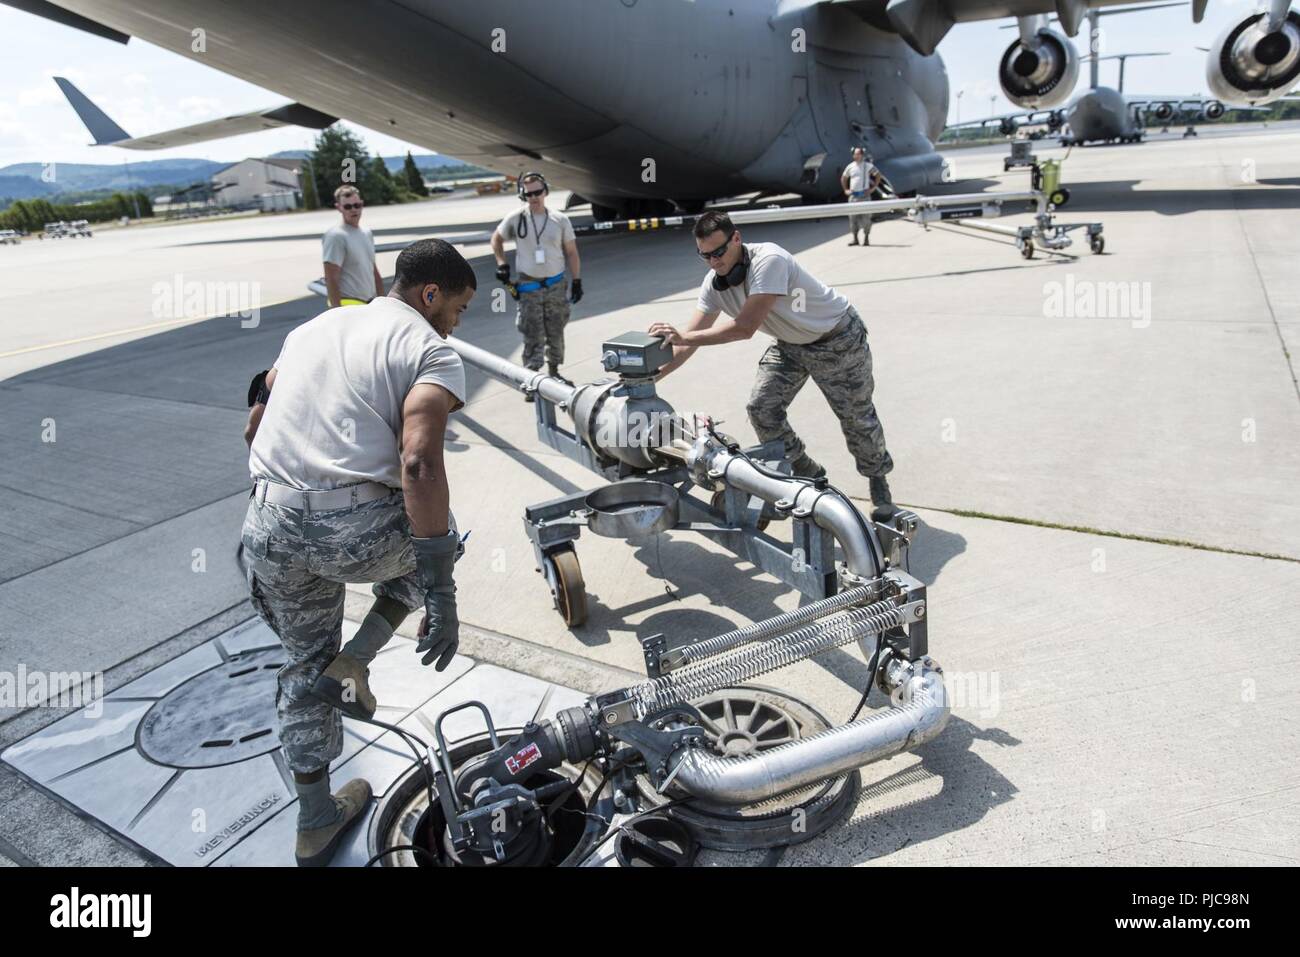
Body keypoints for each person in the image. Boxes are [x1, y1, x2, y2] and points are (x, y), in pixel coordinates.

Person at [240, 238, 475, 866]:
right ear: (431, 296)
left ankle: (315, 819)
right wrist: (442, 593)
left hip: (268, 524)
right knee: (447, 533)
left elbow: (253, 426)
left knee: (301, 664)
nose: (456, 322)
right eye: (457, 308)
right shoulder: (430, 349)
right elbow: (420, 462)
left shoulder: (313, 326)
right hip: (353, 533)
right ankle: (359, 659)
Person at [648, 210, 898, 519]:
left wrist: (683, 334)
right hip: (791, 344)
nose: (714, 262)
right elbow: (687, 342)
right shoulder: (714, 285)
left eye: (719, 252)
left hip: (836, 340)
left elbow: (744, 327)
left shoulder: (769, 260)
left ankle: (878, 481)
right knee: (761, 408)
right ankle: (806, 471)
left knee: (855, 416)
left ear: (736, 238)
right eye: (705, 256)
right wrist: (651, 378)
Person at [491, 172, 582, 397]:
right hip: (529, 286)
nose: (534, 197)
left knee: (556, 329)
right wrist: (502, 263)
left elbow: (571, 252)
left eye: (537, 192)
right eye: (529, 193)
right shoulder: (516, 218)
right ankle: (531, 378)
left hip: (555, 284)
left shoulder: (560, 220)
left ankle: (554, 371)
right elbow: (496, 239)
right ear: (523, 195)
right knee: (532, 331)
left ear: (546, 192)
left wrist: (577, 280)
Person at [322, 185, 384, 307]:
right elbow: (331, 278)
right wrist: (336, 311)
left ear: (362, 204)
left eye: (357, 205)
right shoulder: (336, 236)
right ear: (338, 208)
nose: (353, 210)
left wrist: (383, 301)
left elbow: (373, 270)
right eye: (347, 206)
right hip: (349, 305)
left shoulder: (366, 233)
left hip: (369, 303)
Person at [841, 147, 882, 246]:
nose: (857, 156)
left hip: (864, 196)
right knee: (853, 219)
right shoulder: (850, 167)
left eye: (859, 154)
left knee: (866, 219)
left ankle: (866, 238)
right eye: (855, 154)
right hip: (853, 197)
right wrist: (846, 190)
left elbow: (877, 175)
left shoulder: (867, 166)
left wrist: (873, 188)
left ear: (862, 155)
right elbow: (844, 178)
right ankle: (855, 239)